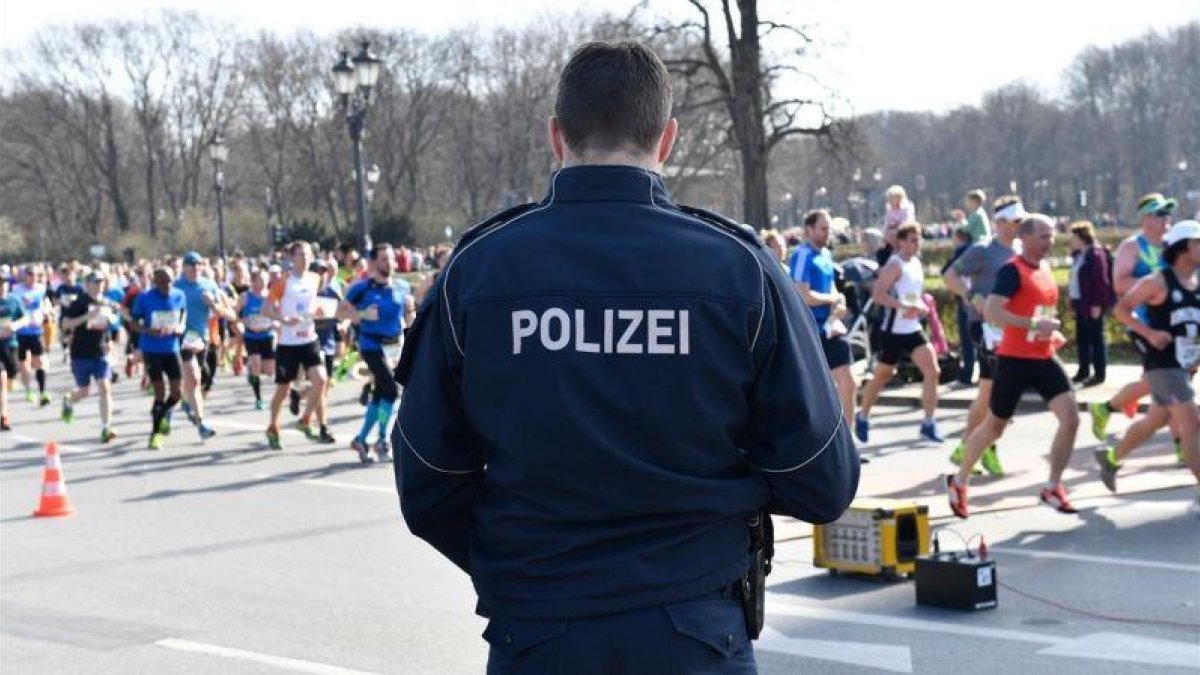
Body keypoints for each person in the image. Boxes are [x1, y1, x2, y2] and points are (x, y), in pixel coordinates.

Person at [395, 40, 858, 672]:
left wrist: (526, 563)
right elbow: (821, 478)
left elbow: (427, 476)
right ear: (667, 140)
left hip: (539, 624)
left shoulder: (479, 270)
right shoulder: (738, 268)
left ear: (557, 137)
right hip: (695, 622)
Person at [946, 214, 1080, 519]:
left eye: (1052, 235)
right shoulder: (1011, 271)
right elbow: (992, 312)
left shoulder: (1045, 269)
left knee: (1071, 418)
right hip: (1015, 359)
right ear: (1026, 238)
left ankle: (1052, 486)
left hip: (1044, 356)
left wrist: (1050, 330)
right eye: (1044, 236)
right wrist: (1033, 324)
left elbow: (1041, 308)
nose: (1051, 241)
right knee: (994, 426)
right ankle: (959, 481)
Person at [1095, 220, 1200, 510]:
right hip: (1162, 363)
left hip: (1184, 364)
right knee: (1192, 423)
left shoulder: (1196, 281)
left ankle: (1112, 459)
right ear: (1182, 248)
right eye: (1198, 243)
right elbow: (1120, 309)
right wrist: (1150, 334)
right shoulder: (1158, 281)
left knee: (1156, 419)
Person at [1090, 193, 1182, 459]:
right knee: (1169, 381)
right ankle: (1183, 446)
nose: (1167, 219)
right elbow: (1119, 283)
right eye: (1161, 213)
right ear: (1146, 218)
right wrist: (1155, 287)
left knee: (1168, 382)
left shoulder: (1173, 245)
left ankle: (1107, 409)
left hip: (1172, 324)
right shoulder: (1133, 247)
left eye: (1168, 213)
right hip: (1143, 323)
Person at [942, 196, 1027, 476]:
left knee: (997, 391)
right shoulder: (983, 250)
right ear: (999, 223)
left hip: (1012, 327)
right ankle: (983, 446)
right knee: (992, 390)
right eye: (1015, 221)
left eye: (1021, 220)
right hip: (985, 326)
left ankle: (969, 445)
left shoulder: (1021, 251)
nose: (1020, 225)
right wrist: (971, 296)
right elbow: (950, 276)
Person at [855, 222, 943, 443]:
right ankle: (863, 414)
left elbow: (913, 294)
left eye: (919, 239)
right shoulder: (895, 264)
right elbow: (878, 294)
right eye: (913, 240)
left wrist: (920, 306)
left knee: (933, 370)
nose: (917, 244)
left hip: (912, 328)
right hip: (893, 329)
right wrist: (902, 306)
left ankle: (929, 423)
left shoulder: (916, 263)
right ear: (901, 242)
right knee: (884, 375)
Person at [792, 210, 857, 436]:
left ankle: (848, 443)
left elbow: (831, 289)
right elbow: (802, 294)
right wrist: (832, 299)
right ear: (808, 230)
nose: (827, 233)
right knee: (817, 392)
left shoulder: (826, 254)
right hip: (811, 332)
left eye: (829, 228)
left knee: (849, 384)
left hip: (831, 330)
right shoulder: (802, 254)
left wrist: (839, 301)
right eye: (823, 228)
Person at [341, 243, 408, 464]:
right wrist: (361, 314)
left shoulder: (401, 286)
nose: (388, 263)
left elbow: (407, 316)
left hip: (394, 347)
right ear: (371, 263)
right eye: (383, 259)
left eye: (390, 259)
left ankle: (361, 439)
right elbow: (340, 310)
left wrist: (411, 321)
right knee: (391, 391)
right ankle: (381, 440)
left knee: (381, 395)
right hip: (371, 345)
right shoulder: (362, 288)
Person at [262, 241, 331, 450]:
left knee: (321, 380)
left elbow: (312, 303)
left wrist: (319, 311)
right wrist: (283, 319)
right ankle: (273, 426)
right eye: (301, 255)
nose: (305, 258)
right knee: (283, 390)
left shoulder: (315, 278)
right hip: (288, 342)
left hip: (309, 338)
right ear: (292, 258)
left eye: (308, 255)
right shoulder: (283, 281)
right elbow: (266, 310)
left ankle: (305, 420)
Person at [128, 267, 187, 451]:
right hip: (151, 349)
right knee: (160, 393)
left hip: (172, 348)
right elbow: (133, 323)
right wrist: (149, 330)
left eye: (170, 282)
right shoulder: (145, 298)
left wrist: (180, 327)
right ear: (156, 282)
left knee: (177, 393)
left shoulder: (179, 295)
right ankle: (155, 434)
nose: (167, 286)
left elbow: (183, 315)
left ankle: (160, 413)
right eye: (163, 282)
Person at [59, 272, 120, 442]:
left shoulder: (108, 303)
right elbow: (65, 324)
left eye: (101, 281)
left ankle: (106, 427)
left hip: (101, 353)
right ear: (87, 284)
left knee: (105, 387)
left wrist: (111, 343)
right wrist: (87, 317)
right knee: (84, 391)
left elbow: (112, 327)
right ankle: (69, 401)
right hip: (81, 353)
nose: (99, 285)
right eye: (96, 282)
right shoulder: (79, 302)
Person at [174, 252, 226, 440]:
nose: (196, 268)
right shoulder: (177, 287)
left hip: (202, 338)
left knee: (202, 378)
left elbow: (221, 311)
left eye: (199, 265)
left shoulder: (209, 285)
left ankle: (184, 402)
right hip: (182, 338)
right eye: (192, 265)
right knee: (194, 378)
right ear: (184, 267)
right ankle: (201, 424)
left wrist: (212, 302)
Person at [1067, 221, 1115, 386]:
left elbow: (1100, 281)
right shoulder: (1079, 254)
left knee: (1095, 338)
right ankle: (1083, 370)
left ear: (1082, 237)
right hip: (1081, 302)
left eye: (1073, 237)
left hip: (1092, 304)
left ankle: (1099, 373)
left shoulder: (1095, 254)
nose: (1071, 240)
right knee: (1083, 339)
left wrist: (1097, 304)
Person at [235, 268, 276, 411]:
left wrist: (274, 323)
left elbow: (278, 313)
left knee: (269, 371)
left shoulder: (271, 296)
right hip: (251, 335)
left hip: (267, 335)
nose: (264, 282)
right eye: (260, 279)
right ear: (253, 281)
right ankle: (258, 399)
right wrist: (243, 321)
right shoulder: (245, 297)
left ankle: (252, 373)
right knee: (257, 365)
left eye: (265, 279)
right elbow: (235, 314)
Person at [12, 266, 52, 406]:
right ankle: (29, 390)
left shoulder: (41, 289)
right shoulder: (17, 290)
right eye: (30, 274)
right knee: (23, 365)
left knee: (39, 362)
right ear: (25, 276)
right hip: (21, 331)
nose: (33, 277)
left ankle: (42, 392)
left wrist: (47, 311)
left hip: (36, 331)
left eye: (36, 274)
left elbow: (47, 304)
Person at [942, 227, 975, 385]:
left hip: (966, 298)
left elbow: (946, 271)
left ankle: (967, 374)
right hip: (982, 297)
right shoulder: (982, 248)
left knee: (967, 338)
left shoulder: (963, 251)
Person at [0, 275, 28, 430]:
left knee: (10, 376)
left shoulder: (14, 300)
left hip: (11, 344)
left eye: (4, 283)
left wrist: (15, 325)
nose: (2, 287)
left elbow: (24, 318)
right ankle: (4, 416)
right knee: (2, 380)